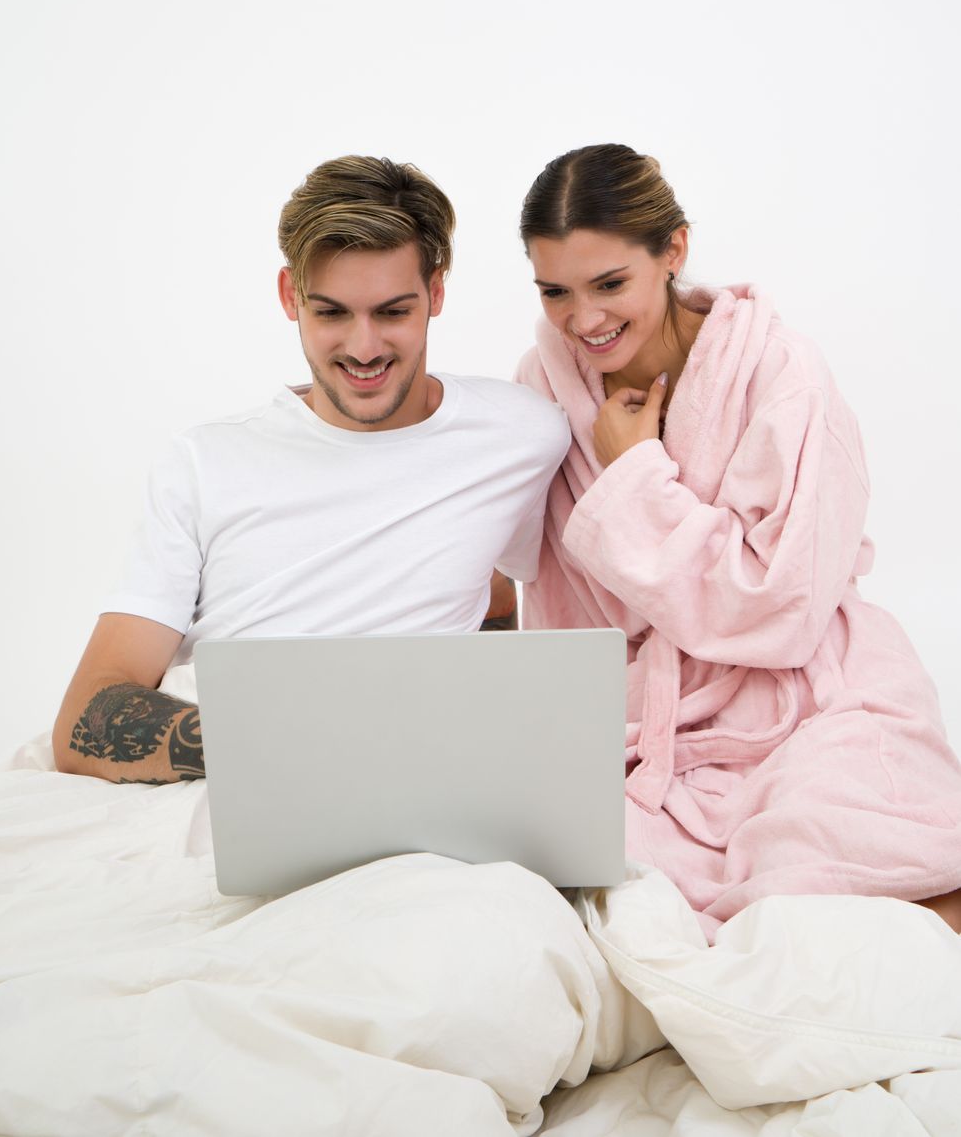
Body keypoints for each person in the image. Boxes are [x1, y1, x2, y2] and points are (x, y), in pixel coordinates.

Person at [515, 142, 961, 939]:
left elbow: (780, 606)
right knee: (583, 891)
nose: (583, 319)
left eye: (610, 283)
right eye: (555, 291)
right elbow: (549, 591)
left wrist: (637, 477)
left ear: (673, 250)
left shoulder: (783, 373)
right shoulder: (545, 385)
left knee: (858, 860)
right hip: (649, 718)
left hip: (813, 688)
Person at [52, 155, 569, 784]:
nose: (364, 347)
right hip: (227, 782)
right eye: (330, 313)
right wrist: (292, 747)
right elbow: (90, 711)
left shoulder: (524, 434)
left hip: (419, 781)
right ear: (288, 295)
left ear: (436, 292)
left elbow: (493, 591)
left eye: (392, 311)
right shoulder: (202, 463)